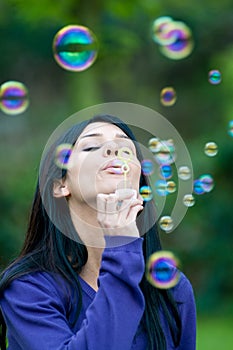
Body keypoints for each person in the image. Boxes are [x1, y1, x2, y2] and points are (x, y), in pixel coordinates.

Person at [0, 114, 196, 350]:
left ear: (140, 184)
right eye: (92, 146)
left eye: (126, 148)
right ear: (60, 185)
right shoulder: (29, 288)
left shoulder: (173, 290)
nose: (114, 149)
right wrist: (121, 246)